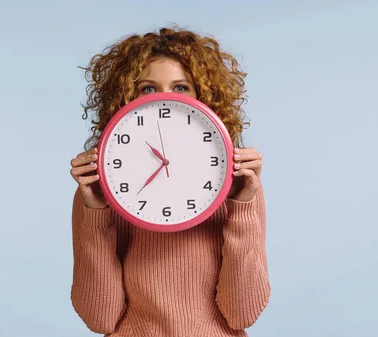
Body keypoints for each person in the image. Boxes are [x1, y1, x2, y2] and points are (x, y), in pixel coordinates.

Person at [69, 26, 270, 337]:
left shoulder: (239, 186)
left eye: (180, 88)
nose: (164, 100)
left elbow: (241, 312)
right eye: (148, 88)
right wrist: (95, 212)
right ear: (126, 98)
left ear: (205, 95)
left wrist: (242, 208)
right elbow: (100, 318)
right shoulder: (100, 188)